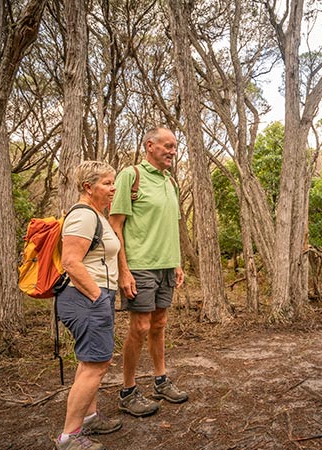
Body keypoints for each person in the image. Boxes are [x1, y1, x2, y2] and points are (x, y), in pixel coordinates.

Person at [109, 127, 188, 418]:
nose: (172, 151)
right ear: (149, 145)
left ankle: (160, 380)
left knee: (159, 324)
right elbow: (115, 227)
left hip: (167, 265)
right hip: (139, 265)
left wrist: (177, 262)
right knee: (139, 327)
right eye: (167, 145)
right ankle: (127, 391)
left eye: (175, 146)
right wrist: (123, 271)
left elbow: (172, 225)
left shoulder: (171, 181)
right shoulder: (131, 176)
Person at [54, 161, 122, 450]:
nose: (113, 188)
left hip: (92, 296)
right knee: (96, 364)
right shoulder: (83, 217)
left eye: (113, 182)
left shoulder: (96, 214)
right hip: (85, 297)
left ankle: (90, 417)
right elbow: (71, 262)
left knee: (91, 362)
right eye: (107, 183)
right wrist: (97, 297)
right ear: (88, 187)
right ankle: (69, 437)